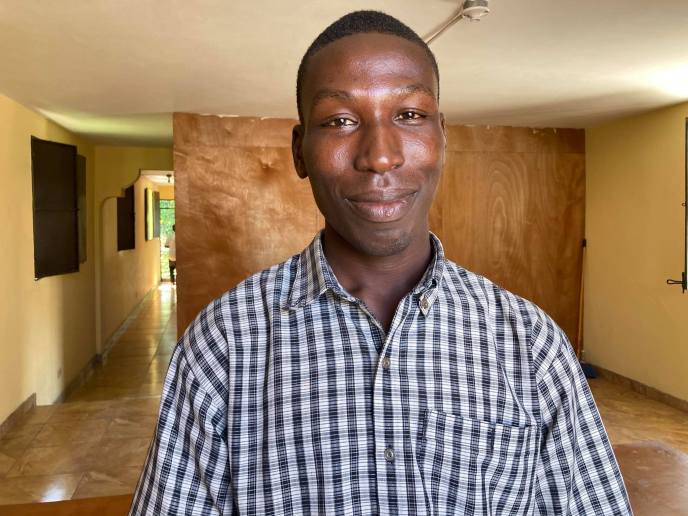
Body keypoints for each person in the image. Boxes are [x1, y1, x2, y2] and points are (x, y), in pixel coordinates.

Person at [130, 11, 631, 516]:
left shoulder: (529, 342)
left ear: (442, 137)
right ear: (300, 152)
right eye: (340, 121)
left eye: (409, 115)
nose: (380, 156)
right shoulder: (225, 342)